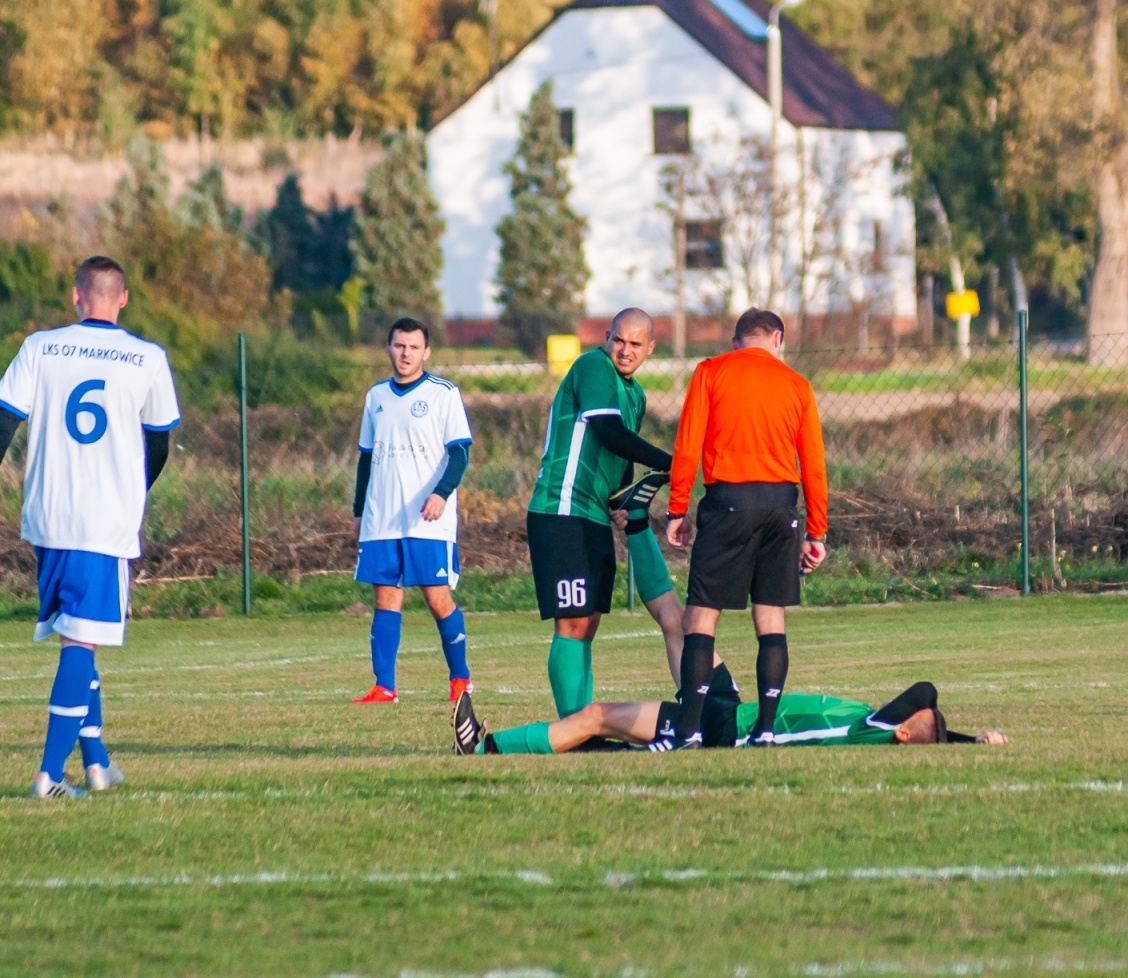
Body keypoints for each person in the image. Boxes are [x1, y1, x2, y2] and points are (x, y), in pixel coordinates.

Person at [0, 256, 181, 798]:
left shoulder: (41, 346)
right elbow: (159, 443)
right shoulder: (147, 357)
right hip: (103, 521)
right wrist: (134, 490)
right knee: (82, 642)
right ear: (122, 298)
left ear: (77, 295)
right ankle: (50, 776)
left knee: (78, 635)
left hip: (49, 515)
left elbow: (5, 419)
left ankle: (97, 762)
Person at [660, 308, 829, 750]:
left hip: (727, 504)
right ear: (778, 339)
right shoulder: (797, 385)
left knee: (701, 617)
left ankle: (689, 731)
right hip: (779, 506)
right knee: (770, 618)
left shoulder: (711, 372)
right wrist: (816, 532)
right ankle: (766, 730)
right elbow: (813, 464)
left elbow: (687, 444)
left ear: (737, 341)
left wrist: (676, 509)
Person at [527, 309, 678, 717]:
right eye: (618, 340)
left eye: (634, 344)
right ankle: (571, 729)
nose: (624, 350)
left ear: (650, 348)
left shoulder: (637, 394)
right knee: (573, 624)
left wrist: (622, 501)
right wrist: (674, 461)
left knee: (587, 625)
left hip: (591, 515)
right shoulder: (593, 366)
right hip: (562, 509)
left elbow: (621, 458)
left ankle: (582, 724)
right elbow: (609, 433)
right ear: (607, 336)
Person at [350, 317, 474, 704]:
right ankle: (384, 686)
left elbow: (459, 453)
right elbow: (366, 461)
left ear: (426, 352)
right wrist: (358, 511)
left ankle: (460, 678)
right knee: (386, 598)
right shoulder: (376, 397)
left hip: (427, 517)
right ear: (388, 348)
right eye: (399, 346)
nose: (406, 353)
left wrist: (441, 493)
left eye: (413, 347)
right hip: (382, 517)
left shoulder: (443, 393)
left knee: (437, 598)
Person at [451, 678, 1006, 755]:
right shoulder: (877, 730)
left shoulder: (878, 728)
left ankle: (482, 748)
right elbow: (925, 710)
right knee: (682, 626)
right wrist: (970, 741)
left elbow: (925, 689)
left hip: (725, 728)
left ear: (906, 729)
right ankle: (640, 522)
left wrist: (953, 737)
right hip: (734, 715)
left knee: (598, 716)